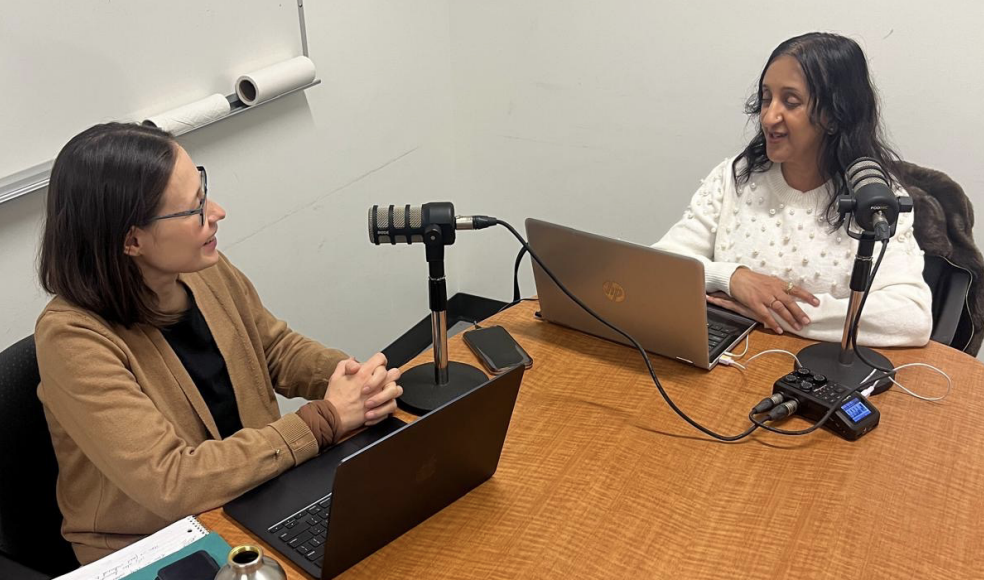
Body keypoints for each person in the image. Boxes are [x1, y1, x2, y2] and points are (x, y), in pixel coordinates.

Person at [35, 122, 403, 564]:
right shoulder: (71, 338)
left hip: (252, 494)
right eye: (194, 209)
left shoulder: (200, 266)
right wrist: (324, 419)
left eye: (203, 192)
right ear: (132, 240)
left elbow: (273, 348)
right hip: (152, 546)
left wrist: (351, 379)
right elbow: (172, 482)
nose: (217, 212)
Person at [653, 32, 932, 346]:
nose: (769, 116)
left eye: (791, 101)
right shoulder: (735, 176)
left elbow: (912, 317)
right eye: (766, 98)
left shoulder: (874, 198)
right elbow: (660, 265)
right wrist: (732, 279)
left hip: (816, 375)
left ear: (833, 116)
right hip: (728, 363)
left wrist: (778, 310)